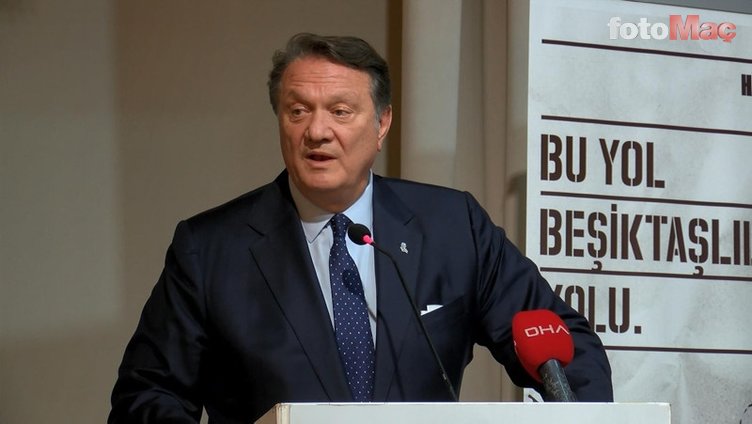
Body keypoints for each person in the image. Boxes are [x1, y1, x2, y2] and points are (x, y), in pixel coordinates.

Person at [109, 33, 613, 424]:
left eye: (340, 111)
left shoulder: (451, 226)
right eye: (297, 111)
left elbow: (566, 347)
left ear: (382, 124)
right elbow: (146, 396)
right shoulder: (210, 250)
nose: (316, 131)